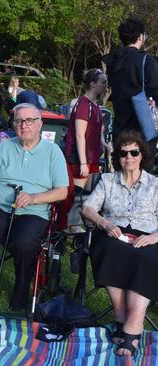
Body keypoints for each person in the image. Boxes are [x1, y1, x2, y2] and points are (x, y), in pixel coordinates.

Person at [0, 103, 69, 310]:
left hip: (32, 211)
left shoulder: (53, 152)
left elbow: (62, 192)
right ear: (13, 125)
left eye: (29, 120)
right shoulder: (4, 147)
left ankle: (22, 292)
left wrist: (33, 198)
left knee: (24, 243)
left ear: (40, 124)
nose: (24, 125)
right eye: (18, 121)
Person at [80, 131, 158, 357]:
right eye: (123, 153)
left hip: (149, 236)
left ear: (142, 155)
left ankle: (134, 322)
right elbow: (87, 208)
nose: (129, 158)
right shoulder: (107, 181)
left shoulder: (155, 184)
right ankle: (121, 313)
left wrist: (154, 238)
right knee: (108, 248)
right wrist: (104, 223)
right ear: (118, 157)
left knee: (147, 256)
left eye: (134, 152)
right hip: (115, 232)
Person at [104, 17, 158, 167]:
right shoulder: (146, 61)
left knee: (122, 174)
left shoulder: (113, 61)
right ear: (140, 37)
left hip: (120, 127)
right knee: (142, 176)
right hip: (142, 128)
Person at [63, 69, 108, 190]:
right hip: (80, 158)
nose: (105, 86)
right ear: (92, 84)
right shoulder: (84, 104)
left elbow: (98, 131)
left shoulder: (96, 105)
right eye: (103, 82)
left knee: (89, 196)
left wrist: (105, 144)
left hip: (92, 157)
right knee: (75, 195)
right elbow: (79, 135)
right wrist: (83, 163)